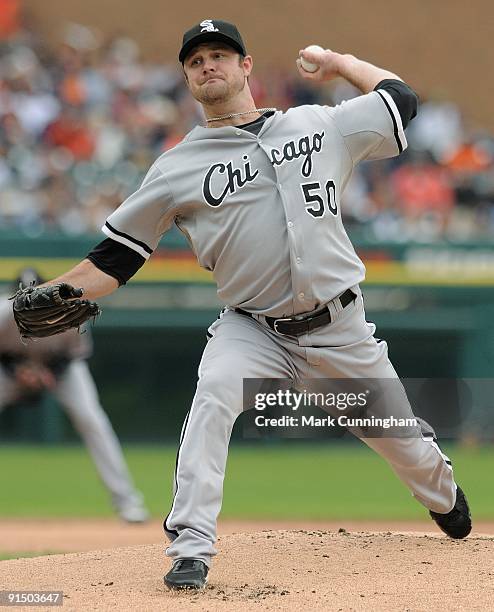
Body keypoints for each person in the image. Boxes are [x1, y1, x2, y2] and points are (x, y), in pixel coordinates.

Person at [19, 20, 471, 590]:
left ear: (246, 65)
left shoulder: (317, 124)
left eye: (220, 55)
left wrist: (338, 61)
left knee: (408, 450)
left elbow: (400, 100)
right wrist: (60, 291)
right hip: (253, 330)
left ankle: (443, 494)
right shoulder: (177, 167)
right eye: (196, 60)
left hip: (342, 331)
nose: (209, 65)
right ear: (186, 77)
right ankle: (191, 547)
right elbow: (113, 260)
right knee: (213, 395)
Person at [1, 268, 149, 523]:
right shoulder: (2, 315)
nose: (31, 305)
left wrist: (49, 373)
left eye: (36, 298)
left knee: (91, 419)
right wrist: (19, 371)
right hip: (9, 368)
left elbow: (74, 355)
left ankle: (127, 502)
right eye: (24, 300)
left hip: (61, 368)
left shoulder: (69, 312)